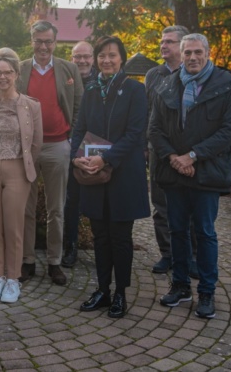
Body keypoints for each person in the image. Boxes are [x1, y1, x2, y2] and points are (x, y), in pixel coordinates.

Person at [150, 33, 231, 319]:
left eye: (197, 52)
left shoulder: (226, 85)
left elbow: (230, 132)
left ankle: (206, 292)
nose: (192, 57)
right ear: (181, 54)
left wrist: (192, 156)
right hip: (174, 171)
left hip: (206, 172)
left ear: (207, 52)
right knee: (176, 230)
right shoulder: (166, 85)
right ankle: (180, 286)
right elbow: (154, 129)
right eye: (187, 52)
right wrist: (174, 159)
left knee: (204, 233)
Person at [71, 36, 149, 318]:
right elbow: (79, 129)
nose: (106, 60)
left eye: (112, 55)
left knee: (120, 238)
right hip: (93, 174)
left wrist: (105, 158)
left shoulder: (135, 90)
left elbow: (135, 134)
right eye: (102, 55)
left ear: (121, 59)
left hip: (123, 175)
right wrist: (76, 156)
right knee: (100, 236)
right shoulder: (91, 90)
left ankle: (120, 293)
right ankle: (103, 289)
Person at [18, 21, 82, 286]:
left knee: (56, 209)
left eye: (48, 41)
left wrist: (70, 141)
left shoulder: (69, 69)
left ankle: (55, 262)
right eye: (38, 40)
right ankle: (28, 260)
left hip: (58, 146)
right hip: (27, 148)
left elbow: (78, 106)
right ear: (31, 40)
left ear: (55, 43)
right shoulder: (19, 69)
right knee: (26, 208)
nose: (43, 46)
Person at [0, 48, 42, 304]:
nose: (2, 76)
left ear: (16, 74)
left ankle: (13, 278)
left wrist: (24, 166)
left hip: (17, 168)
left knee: (13, 225)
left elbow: (37, 143)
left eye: (7, 72)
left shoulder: (31, 105)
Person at [145, 25, 198, 276]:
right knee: (161, 204)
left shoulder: (198, 73)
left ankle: (193, 256)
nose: (163, 46)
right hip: (160, 150)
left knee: (192, 206)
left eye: (169, 42)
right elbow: (149, 115)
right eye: (162, 41)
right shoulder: (153, 75)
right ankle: (168, 254)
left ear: (183, 46)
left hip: (190, 153)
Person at [61, 41, 98, 268]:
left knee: (96, 200)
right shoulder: (65, 78)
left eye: (86, 56)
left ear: (93, 58)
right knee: (71, 201)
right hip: (69, 146)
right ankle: (70, 246)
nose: (82, 61)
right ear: (72, 58)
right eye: (78, 57)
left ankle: (100, 246)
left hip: (95, 148)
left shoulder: (102, 80)